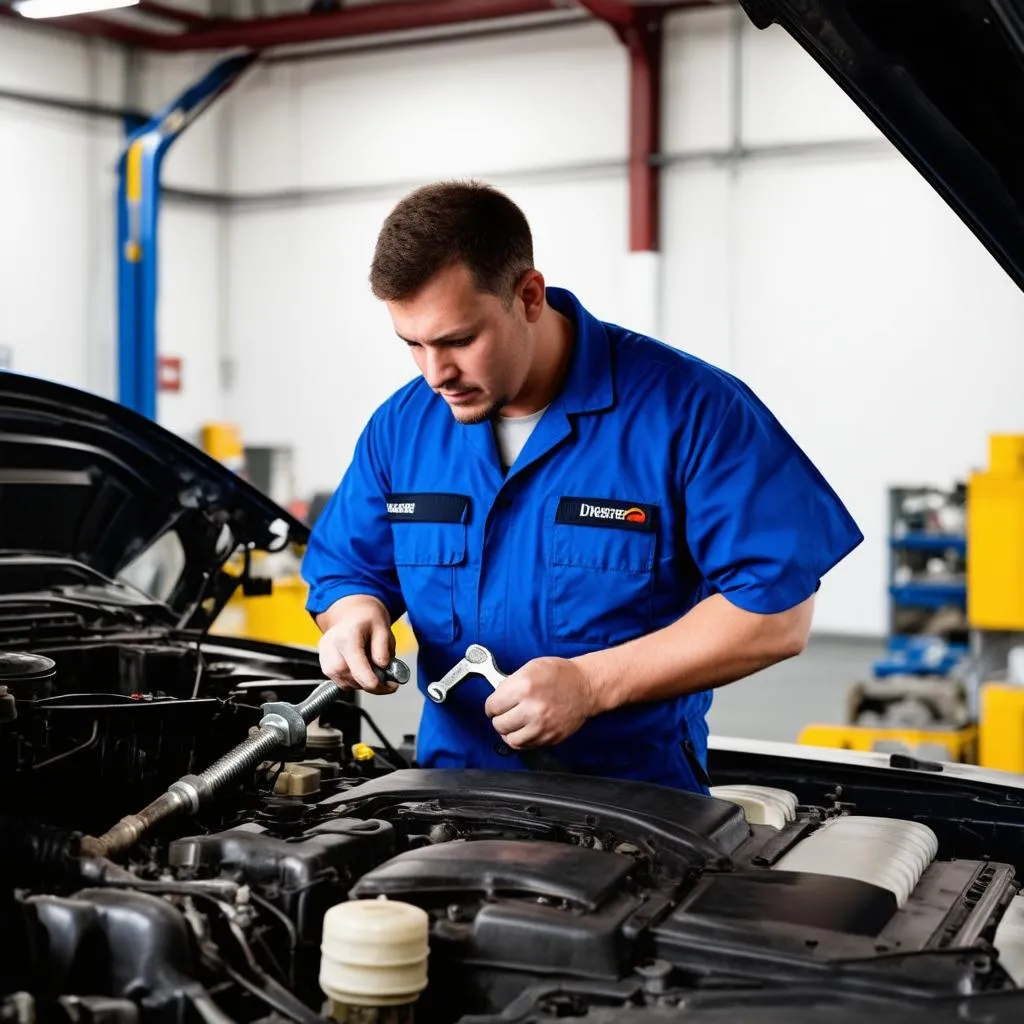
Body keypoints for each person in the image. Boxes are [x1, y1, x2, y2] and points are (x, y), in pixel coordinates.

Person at [301, 180, 863, 793]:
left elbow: (776, 614)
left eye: (460, 340)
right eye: (413, 345)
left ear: (529, 295)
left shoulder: (690, 411)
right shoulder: (402, 428)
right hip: (451, 795)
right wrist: (355, 615)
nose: (437, 374)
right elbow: (347, 571)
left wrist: (594, 684)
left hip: (638, 805)